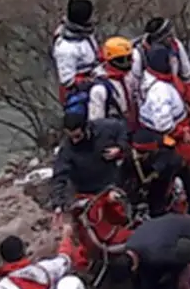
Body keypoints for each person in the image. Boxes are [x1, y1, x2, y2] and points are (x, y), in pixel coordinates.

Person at [51, 112, 133, 272]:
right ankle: (94, 261)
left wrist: (120, 147)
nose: (74, 140)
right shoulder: (67, 150)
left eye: (78, 136)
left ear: (86, 128)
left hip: (112, 185)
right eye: (71, 137)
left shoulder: (105, 128)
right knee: (89, 230)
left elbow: (123, 128)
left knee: (121, 217)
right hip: (87, 192)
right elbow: (59, 176)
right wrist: (58, 204)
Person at [138, 47, 190, 169]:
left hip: (175, 126)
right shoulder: (159, 90)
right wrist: (181, 132)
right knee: (184, 163)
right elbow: (163, 124)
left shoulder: (153, 78)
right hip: (173, 135)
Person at [124, 127, 190, 218]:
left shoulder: (170, 158)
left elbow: (185, 177)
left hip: (162, 178)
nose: (137, 155)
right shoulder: (131, 156)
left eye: (141, 153)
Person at [52, 0, 100, 107]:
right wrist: (96, 80)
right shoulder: (66, 48)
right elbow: (68, 81)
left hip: (94, 75)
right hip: (78, 96)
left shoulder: (85, 33)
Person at [132, 17, 190, 85]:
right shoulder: (139, 54)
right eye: (168, 36)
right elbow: (135, 83)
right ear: (158, 38)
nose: (171, 38)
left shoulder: (175, 44)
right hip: (151, 90)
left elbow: (186, 72)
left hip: (174, 85)